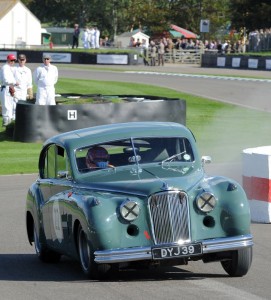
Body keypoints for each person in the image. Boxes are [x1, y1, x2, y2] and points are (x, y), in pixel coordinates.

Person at [0, 54, 19, 126]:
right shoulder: (5, 68)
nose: (13, 62)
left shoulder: (9, 68)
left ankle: (8, 125)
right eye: (11, 60)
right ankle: (6, 124)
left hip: (9, 88)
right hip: (6, 88)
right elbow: (6, 80)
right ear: (8, 60)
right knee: (7, 108)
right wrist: (15, 82)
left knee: (10, 107)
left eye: (14, 60)